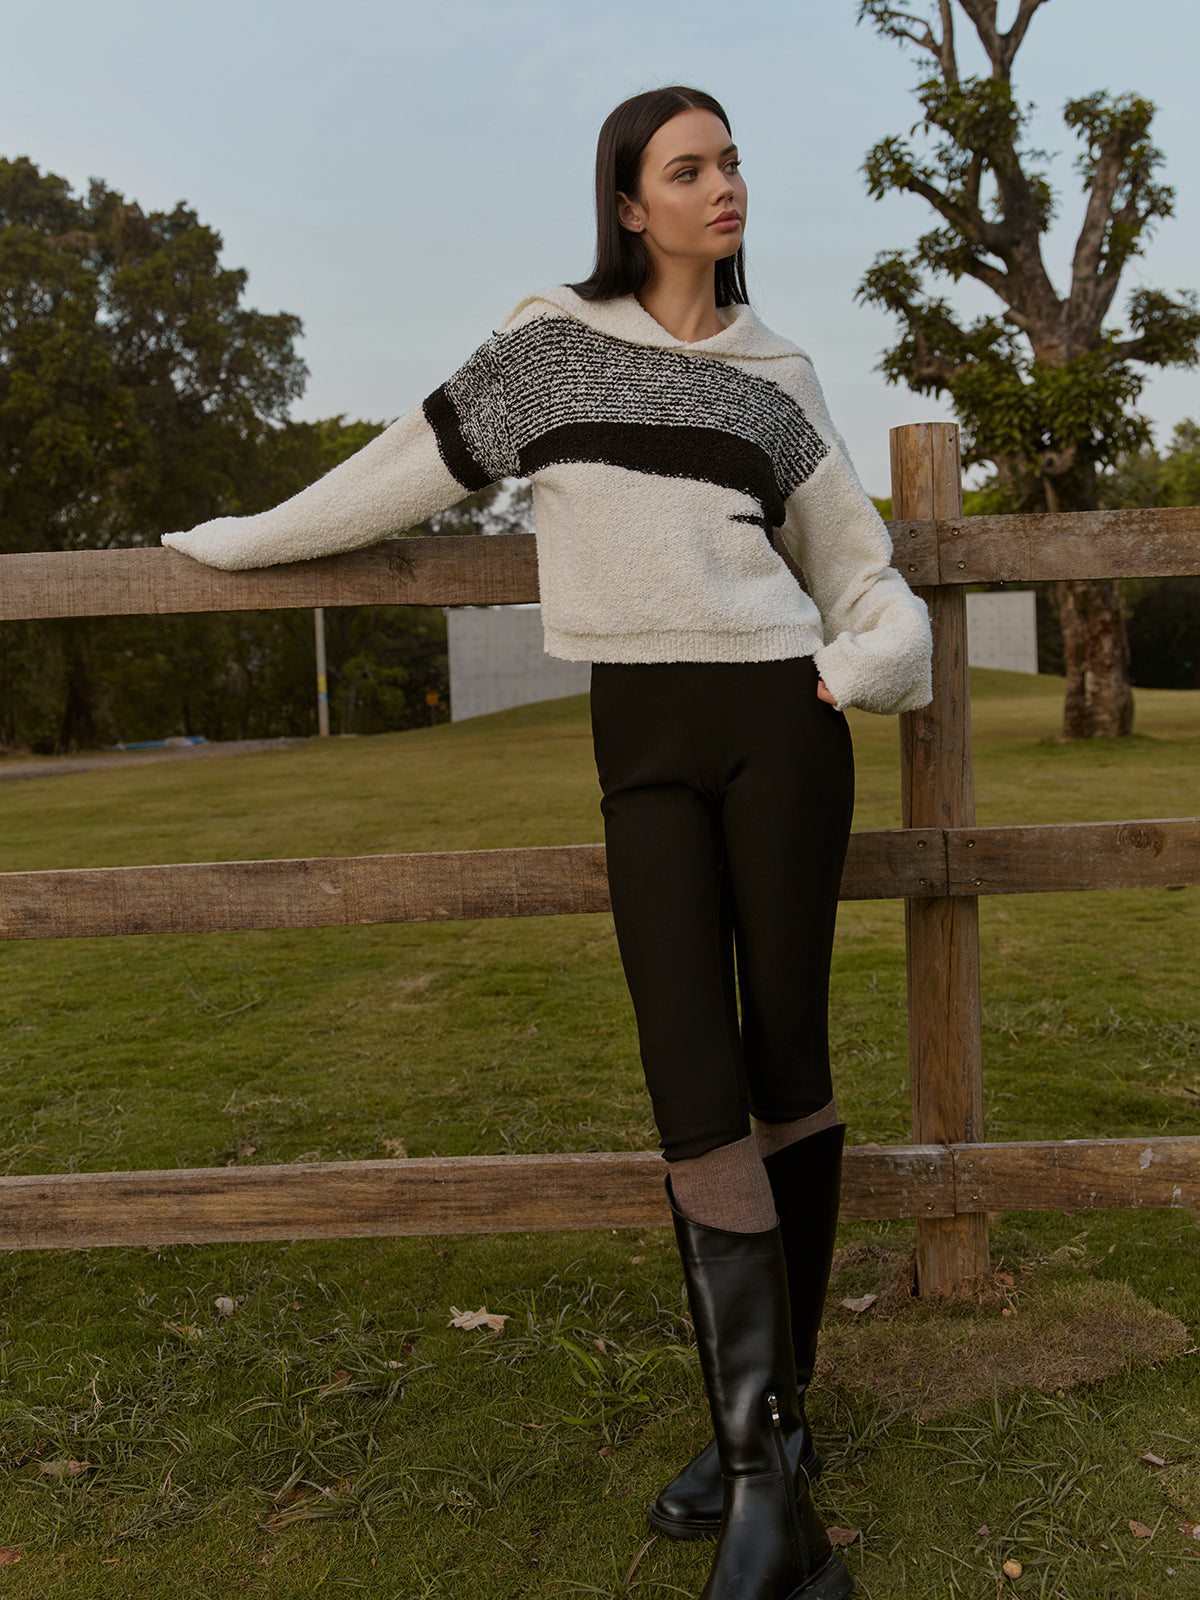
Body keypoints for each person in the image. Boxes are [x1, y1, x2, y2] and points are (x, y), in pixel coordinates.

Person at [163, 85, 931, 1600]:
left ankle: (766, 1461)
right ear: (629, 204)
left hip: (783, 728)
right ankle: (767, 1470)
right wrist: (240, 540)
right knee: (691, 1084)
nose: (723, 186)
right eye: (688, 169)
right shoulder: (550, 349)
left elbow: (863, 571)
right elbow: (399, 467)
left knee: (786, 1060)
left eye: (732, 163)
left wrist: (857, 668)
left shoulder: (779, 378)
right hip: (641, 742)